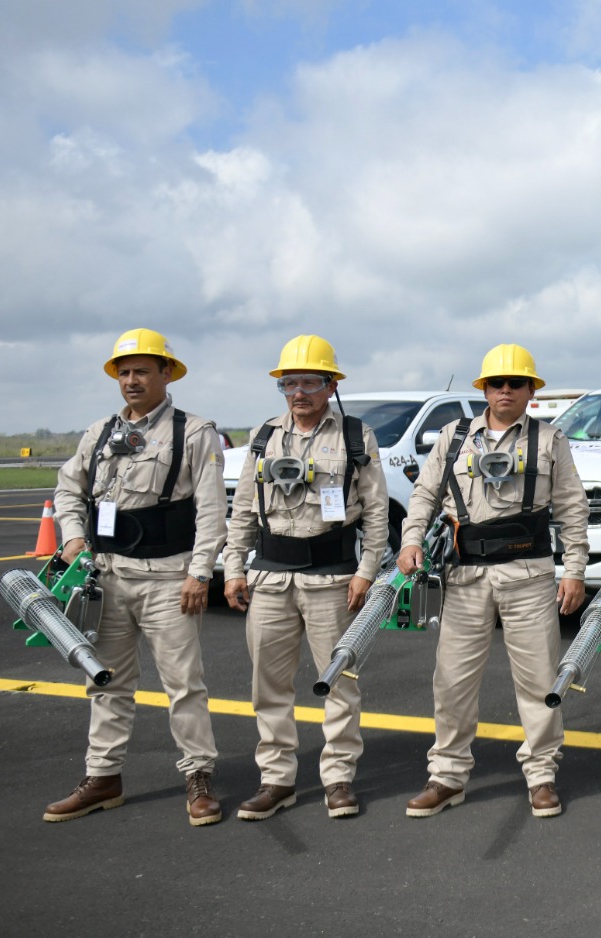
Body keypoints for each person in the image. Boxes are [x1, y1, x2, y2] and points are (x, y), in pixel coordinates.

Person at [402, 345, 589, 819]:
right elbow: (425, 493)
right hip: (464, 577)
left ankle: (542, 775)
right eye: (495, 383)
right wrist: (410, 540)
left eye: (515, 383)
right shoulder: (454, 436)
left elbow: (572, 509)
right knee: (452, 681)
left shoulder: (550, 441)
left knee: (539, 681)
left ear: (531, 390)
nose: (505, 390)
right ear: (483, 389)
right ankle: (447, 775)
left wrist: (575, 572)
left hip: (527, 576)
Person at [48, 328, 226, 825]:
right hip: (106, 577)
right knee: (105, 682)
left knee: (183, 684)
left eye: (142, 370)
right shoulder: (100, 432)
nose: (131, 380)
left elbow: (212, 511)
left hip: (168, 578)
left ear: (166, 374)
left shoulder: (192, 431)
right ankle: (103, 777)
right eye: (123, 372)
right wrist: (72, 537)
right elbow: (68, 489)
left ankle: (199, 776)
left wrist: (198, 574)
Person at [224, 335, 389, 821]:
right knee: (268, 685)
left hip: (332, 578)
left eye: (310, 382)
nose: (299, 392)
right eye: (289, 383)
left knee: (338, 681)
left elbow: (377, 512)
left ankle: (338, 779)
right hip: (271, 578)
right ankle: (276, 780)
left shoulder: (357, 436)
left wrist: (366, 572)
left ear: (331, 383)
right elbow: (243, 512)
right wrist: (234, 567)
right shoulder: (263, 436)